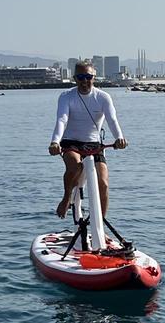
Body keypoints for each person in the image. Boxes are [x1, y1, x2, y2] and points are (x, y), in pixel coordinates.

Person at [48, 61, 127, 218]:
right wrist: (55, 142)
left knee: (103, 183)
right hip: (71, 142)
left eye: (88, 77)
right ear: (75, 78)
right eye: (80, 77)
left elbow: (112, 120)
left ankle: (101, 225)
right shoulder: (66, 96)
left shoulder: (103, 97)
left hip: (94, 145)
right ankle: (66, 198)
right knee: (76, 167)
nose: (84, 81)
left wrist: (119, 138)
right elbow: (62, 120)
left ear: (94, 77)